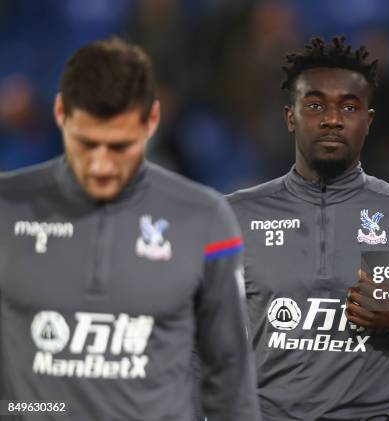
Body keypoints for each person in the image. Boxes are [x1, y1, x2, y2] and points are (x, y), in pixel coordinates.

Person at [0, 38, 260, 421]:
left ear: (151, 121)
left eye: (119, 146)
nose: (101, 166)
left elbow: (230, 382)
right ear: (60, 113)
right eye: (86, 144)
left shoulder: (204, 219)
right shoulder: (6, 208)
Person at [228, 36, 389, 421]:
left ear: (368, 120)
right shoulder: (234, 218)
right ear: (290, 116)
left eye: (349, 106)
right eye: (315, 105)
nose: (332, 118)